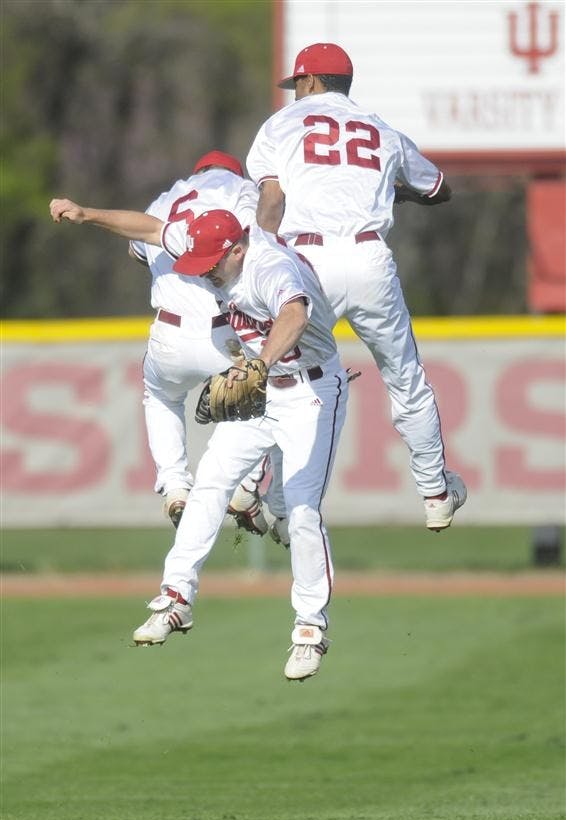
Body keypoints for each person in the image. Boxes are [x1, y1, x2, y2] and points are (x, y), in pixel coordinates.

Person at [246, 42, 467, 531]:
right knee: (406, 380)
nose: (294, 91)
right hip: (369, 257)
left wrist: (263, 259)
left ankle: (267, 498)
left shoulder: (281, 125)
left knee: (295, 383)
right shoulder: (381, 129)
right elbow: (439, 189)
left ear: (309, 82)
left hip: (307, 260)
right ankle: (434, 491)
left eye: (297, 83)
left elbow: (271, 199)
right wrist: (398, 192)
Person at [134, 209, 349, 681]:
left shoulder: (268, 268)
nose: (205, 268)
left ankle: (310, 628)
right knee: (210, 483)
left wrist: (261, 363)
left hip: (311, 391)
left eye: (213, 260)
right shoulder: (216, 255)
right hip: (264, 388)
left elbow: (293, 313)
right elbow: (149, 230)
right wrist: (86, 214)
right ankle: (175, 598)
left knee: (302, 508)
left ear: (237, 250)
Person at [51, 152, 284, 541]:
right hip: (225, 335)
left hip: (168, 334)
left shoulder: (167, 199)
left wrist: (86, 213)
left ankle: (175, 486)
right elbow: (264, 237)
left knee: (159, 396)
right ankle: (251, 490)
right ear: (234, 172)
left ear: (198, 173)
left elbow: (137, 248)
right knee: (276, 397)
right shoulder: (243, 191)